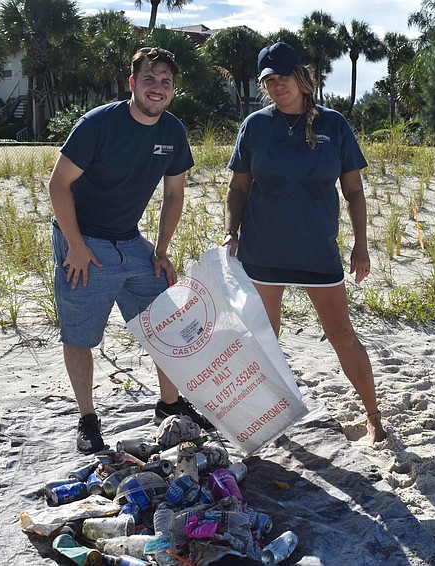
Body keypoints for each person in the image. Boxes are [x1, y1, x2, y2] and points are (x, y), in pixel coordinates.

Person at [49, 47, 210, 454]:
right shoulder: (98, 124)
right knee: (80, 335)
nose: (158, 88)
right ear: (133, 83)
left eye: (166, 82)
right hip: (84, 242)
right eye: (150, 79)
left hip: (130, 240)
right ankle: (87, 418)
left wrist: (161, 250)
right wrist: (77, 246)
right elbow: (59, 185)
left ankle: (169, 405)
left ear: (173, 89)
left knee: (165, 322)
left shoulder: (172, 131)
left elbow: (174, 194)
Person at [224, 42, 387, 443]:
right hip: (263, 251)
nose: (278, 86)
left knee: (342, 335)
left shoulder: (334, 125)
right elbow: (238, 188)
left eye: (283, 77)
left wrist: (360, 245)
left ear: (301, 77)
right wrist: (232, 230)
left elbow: (354, 192)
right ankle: (264, 419)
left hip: (317, 250)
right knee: (264, 340)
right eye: (269, 81)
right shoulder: (256, 126)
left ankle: (373, 415)